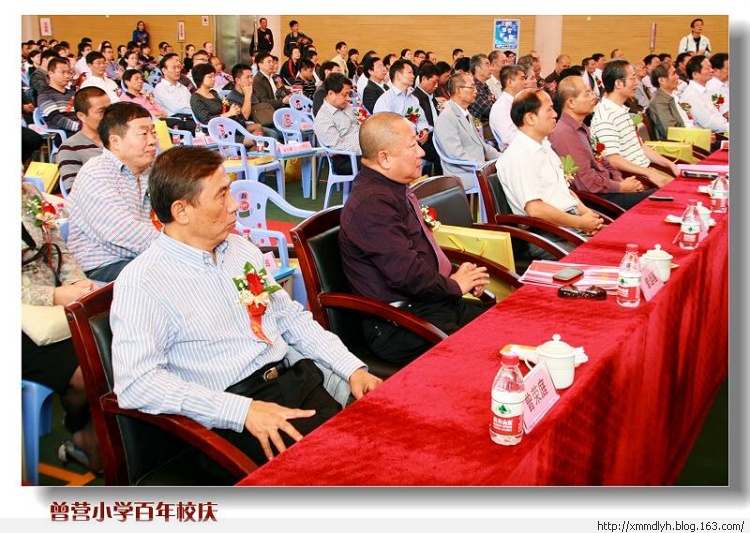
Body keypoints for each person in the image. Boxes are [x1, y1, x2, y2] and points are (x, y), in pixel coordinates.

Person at [110, 146, 381, 466]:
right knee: (346, 466)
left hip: (293, 379)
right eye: (221, 195)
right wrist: (241, 412)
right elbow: (136, 384)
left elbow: (290, 319)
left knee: (380, 437)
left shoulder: (239, 249)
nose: (235, 205)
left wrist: (351, 368)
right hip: (229, 414)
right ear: (181, 211)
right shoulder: (143, 282)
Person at [339, 112, 491, 364]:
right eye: (413, 146)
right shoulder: (372, 203)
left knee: (502, 328)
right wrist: (455, 286)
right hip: (400, 322)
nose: (421, 152)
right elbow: (406, 274)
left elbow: (419, 254)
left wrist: (457, 274)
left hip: (429, 304)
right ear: (384, 158)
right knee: (484, 356)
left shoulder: (391, 188)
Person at [22, 180, 100, 472]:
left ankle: (93, 434)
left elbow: (59, 249)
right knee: (85, 372)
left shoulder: (27, 193)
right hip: (21, 318)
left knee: (113, 349)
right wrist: (53, 295)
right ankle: (84, 434)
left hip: (52, 308)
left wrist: (78, 283)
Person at [498, 89, 604, 257]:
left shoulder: (544, 145)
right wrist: (579, 222)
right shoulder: (519, 155)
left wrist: (586, 213)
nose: (555, 114)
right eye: (549, 110)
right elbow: (536, 209)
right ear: (530, 118)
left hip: (568, 223)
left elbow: (562, 191)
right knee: (605, 256)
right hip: (549, 233)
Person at [68, 102, 159, 282]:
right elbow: (122, 233)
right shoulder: (96, 174)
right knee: (179, 276)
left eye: (153, 133)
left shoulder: (148, 169)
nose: (152, 141)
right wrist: (179, 247)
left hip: (142, 255)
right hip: (104, 265)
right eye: (143, 134)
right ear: (115, 142)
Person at [549, 77, 652, 210]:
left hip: (608, 188)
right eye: (587, 94)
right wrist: (621, 187)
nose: (594, 97)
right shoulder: (564, 133)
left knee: (660, 195)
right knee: (658, 197)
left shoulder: (581, 127)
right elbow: (586, 182)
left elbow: (603, 161)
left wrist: (619, 180)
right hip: (598, 200)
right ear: (571, 102)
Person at [589, 60, 677, 188]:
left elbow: (640, 146)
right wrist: (648, 173)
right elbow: (613, 160)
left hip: (647, 171)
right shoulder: (606, 117)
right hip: (638, 179)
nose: (636, 83)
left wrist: (669, 164)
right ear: (618, 83)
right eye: (632, 78)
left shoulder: (621, 109)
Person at [433, 72, 501, 190]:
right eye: (472, 87)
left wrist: (503, 158)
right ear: (459, 90)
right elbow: (456, 155)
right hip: (463, 174)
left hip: (477, 168)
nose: (476, 91)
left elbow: (483, 146)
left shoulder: (465, 113)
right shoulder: (447, 117)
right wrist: (485, 167)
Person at [56, 87, 110, 194]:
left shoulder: (119, 139)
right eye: (101, 112)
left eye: (110, 110)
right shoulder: (70, 148)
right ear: (82, 116)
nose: (109, 116)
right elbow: (75, 193)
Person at [313, 73, 361, 174]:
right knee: (386, 162)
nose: (348, 99)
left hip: (363, 150)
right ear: (331, 94)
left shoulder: (347, 106)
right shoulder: (323, 118)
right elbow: (337, 147)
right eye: (345, 94)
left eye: (349, 94)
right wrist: (366, 148)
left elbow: (359, 123)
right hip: (346, 159)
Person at [679, 55, 729, 135]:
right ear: (695, 74)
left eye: (711, 67)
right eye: (707, 68)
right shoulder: (692, 94)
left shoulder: (703, 90)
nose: (712, 70)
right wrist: (728, 126)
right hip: (703, 136)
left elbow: (715, 115)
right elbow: (707, 122)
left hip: (716, 131)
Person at [37, 57, 81, 139]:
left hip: (80, 130)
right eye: (62, 72)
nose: (67, 76)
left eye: (68, 72)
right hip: (62, 134)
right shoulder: (44, 95)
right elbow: (56, 119)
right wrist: (80, 127)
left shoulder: (73, 93)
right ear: (51, 74)